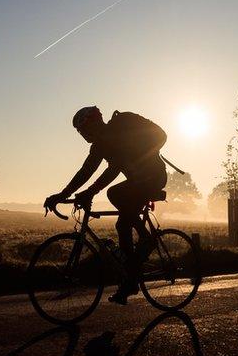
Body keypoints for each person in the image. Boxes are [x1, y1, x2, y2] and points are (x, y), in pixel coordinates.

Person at [44, 106, 168, 304]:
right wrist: (61, 195)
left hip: (153, 177)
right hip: (136, 182)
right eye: (79, 132)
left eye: (82, 130)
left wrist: (90, 192)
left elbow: (114, 170)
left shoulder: (119, 131)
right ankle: (131, 278)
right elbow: (85, 171)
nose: (82, 135)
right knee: (122, 223)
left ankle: (146, 240)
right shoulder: (100, 146)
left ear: (93, 123)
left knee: (115, 195)